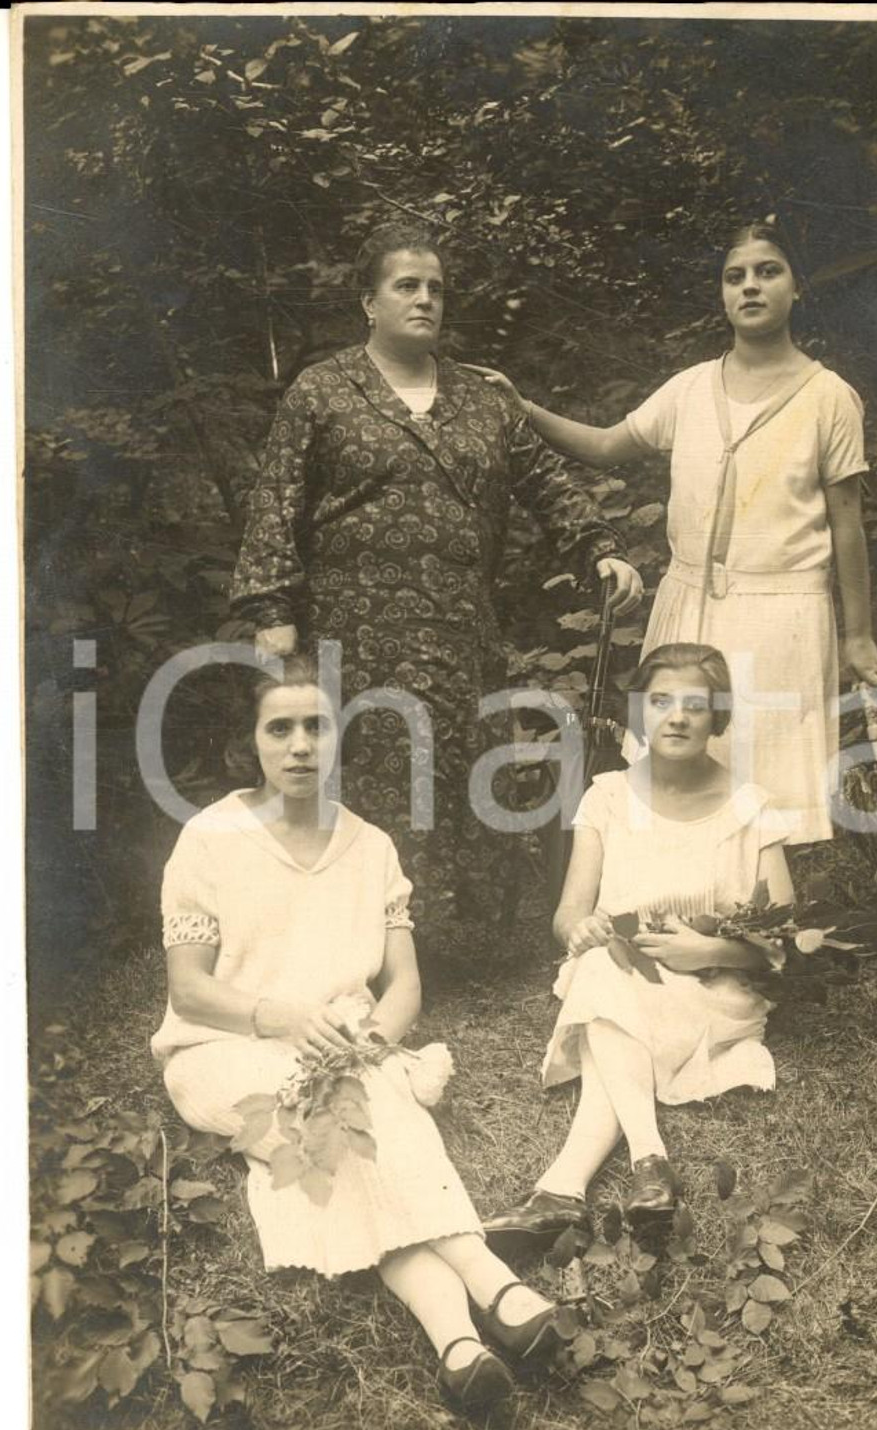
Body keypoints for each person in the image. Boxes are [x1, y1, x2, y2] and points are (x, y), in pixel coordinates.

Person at [151, 656, 564, 1413]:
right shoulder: (209, 840)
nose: (301, 745)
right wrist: (276, 1017)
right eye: (281, 728)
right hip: (222, 1048)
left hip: (344, 1042)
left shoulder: (369, 845)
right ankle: (492, 1286)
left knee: (371, 1115)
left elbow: (404, 984)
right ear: (251, 742)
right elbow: (189, 990)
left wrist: (372, 1040)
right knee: (327, 1126)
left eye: (318, 725)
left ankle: (462, 1347)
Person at [230, 223, 642, 957]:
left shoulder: (482, 399)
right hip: (354, 628)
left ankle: (448, 939)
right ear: (369, 302)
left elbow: (546, 482)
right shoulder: (323, 391)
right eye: (406, 286)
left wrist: (600, 550)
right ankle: (357, 944)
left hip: (459, 626)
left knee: (455, 773)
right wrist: (270, 610)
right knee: (373, 776)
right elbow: (276, 505)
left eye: (436, 289)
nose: (425, 300)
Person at [467, 219, 877, 845]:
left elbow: (848, 525)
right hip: (688, 608)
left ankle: (762, 928)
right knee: (676, 777)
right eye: (734, 276)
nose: (750, 287)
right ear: (720, 294)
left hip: (783, 612)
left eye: (768, 272)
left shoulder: (829, 398)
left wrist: (859, 637)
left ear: (797, 289)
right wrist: (520, 406)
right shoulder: (691, 388)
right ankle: (674, 916)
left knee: (766, 785)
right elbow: (607, 445)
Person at [484, 643, 794, 1253]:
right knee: (599, 965)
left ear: (718, 717)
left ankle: (562, 1189)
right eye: (660, 702)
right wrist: (579, 931)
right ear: (640, 712)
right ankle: (648, 1161)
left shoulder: (749, 809)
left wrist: (709, 952)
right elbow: (569, 913)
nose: (676, 717)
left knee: (604, 1014)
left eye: (695, 706)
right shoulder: (607, 796)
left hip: (710, 987)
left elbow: (781, 940)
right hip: (619, 970)